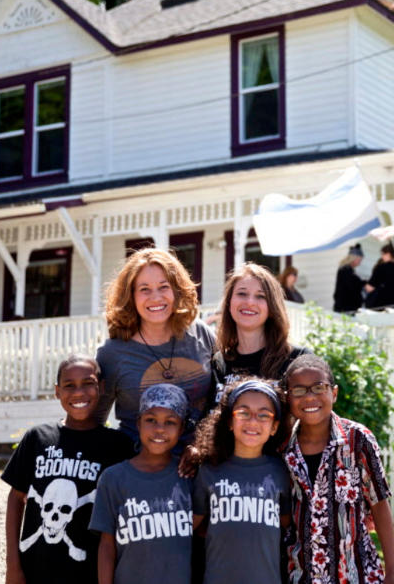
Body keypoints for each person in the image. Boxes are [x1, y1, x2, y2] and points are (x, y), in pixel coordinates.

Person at [2, 355, 133, 584]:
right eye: (69, 385)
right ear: (57, 391)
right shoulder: (37, 438)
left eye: (88, 383)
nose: (79, 393)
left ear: (101, 387)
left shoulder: (118, 446)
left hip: (90, 574)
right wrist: (13, 565)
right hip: (35, 570)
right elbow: (16, 498)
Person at [281, 354, 394, 584]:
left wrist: (393, 571)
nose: (309, 397)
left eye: (318, 387)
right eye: (299, 390)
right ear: (288, 398)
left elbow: (379, 503)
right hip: (302, 575)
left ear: (333, 393)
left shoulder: (358, 440)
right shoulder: (283, 448)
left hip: (358, 574)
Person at [94, 248, 215, 449]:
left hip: (199, 467)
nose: (156, 297)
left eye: (163, 287)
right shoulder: (112, 354)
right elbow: (94, 421)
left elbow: (221, 397)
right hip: (140, 471)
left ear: (177, 290)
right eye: (144, 289)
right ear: (130, 295)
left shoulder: (200, 333)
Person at [191, 378, 292, 584]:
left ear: (274, 427)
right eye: (243, 413)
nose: (253, 421)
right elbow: (192, 527)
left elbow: (287, 526)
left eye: (264, 415)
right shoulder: (209, 470)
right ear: (229, 421)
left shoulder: (281, 471)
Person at [91, 384, 193, 584]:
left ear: (182, 428)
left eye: (170, 422)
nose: (159, 429)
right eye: (151, 420)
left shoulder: (189, 475)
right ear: (138, 423)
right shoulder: (113, 478)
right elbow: (106, 545)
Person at [209, 263, 311, 407]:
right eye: (242, 293)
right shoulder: (219, 362)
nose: (250, 302)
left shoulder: (297, 359)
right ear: (229, 303)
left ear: (272, 307)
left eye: (260, 296)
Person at [332, 244, 366, 313]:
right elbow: (352, 285)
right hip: (345, 308)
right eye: (359, 260)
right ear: (354, 258)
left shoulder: (348, 270)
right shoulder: (345, 270)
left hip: (347, 307)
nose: (360, 263)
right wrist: (363, 283)